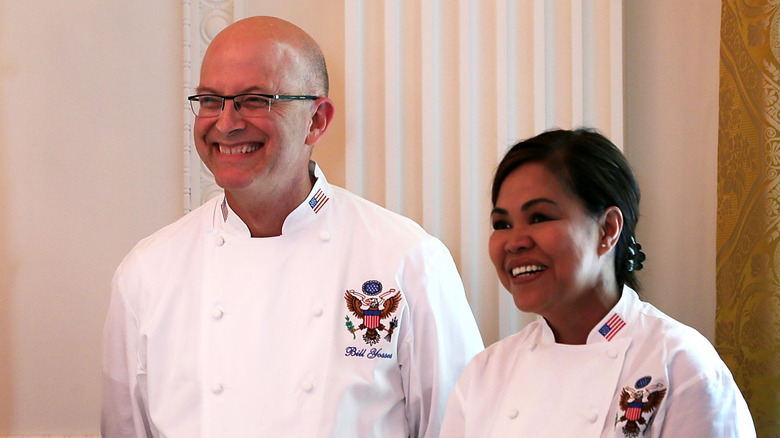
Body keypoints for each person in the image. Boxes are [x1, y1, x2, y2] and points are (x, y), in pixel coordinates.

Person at [102, 16, 483, 437]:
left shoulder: (408, 260)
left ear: (316, 120)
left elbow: (461, 428)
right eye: (211, 100)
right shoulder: (147, 272)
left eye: (254, 100)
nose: (226, 123)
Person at [440, 128, 756, 437]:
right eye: (502, 223)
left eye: (539, 217)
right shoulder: (485, 374)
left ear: (607, 230)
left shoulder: (680, 367)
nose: (514, 242)